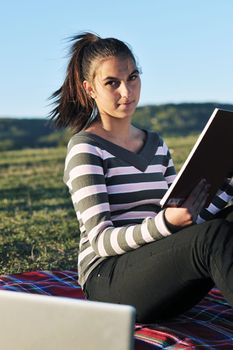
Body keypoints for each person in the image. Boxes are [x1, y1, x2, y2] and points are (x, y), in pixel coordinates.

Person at [50, 32, 233, 323]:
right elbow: (101, 241)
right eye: (113, 83)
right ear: (90, 89)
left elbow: (186, 220)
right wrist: (165, 223)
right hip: (108, 282)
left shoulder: (156, 144)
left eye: (133, 77)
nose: (127, 91)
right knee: (212, 237)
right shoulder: (86, 148)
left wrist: (228, 185)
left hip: (159, 273)